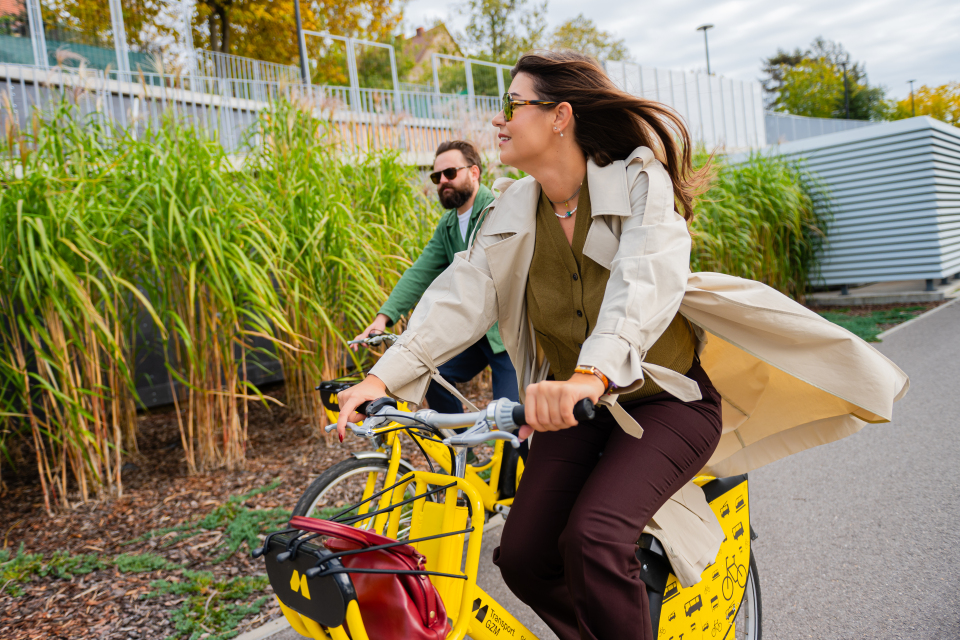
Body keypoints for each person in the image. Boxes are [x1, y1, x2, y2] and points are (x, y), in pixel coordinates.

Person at [337, 50, 908, 640]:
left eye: (512, 104)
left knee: (595, 537)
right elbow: (462, 292)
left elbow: (641, 281)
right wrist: (382, 377)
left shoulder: (638, 181)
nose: (498, 119)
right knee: (524, 558)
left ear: (560, 116)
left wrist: (592, 375)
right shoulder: (511, 208)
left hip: (667, 403)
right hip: (579, 416)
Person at [352, 140, 519, 416]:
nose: (442, 181)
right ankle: (461, 442)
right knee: (430, 374)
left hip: (508, 335)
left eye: (450, 173)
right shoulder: (448, 224)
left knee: (511, 418)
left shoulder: (496, 209)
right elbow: (419, 273)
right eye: (436, 176)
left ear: (474, 172)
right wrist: (382, 319)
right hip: (473, 333)